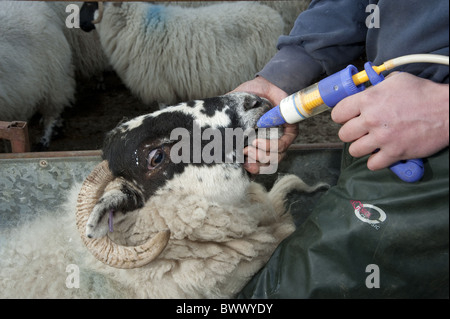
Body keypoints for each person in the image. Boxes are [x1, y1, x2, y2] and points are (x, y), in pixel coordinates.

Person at [233, 0, 449, 298]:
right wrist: (286, 72)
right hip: (385, 118)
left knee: (283, 291)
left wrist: (444, 108)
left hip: (431, 134)